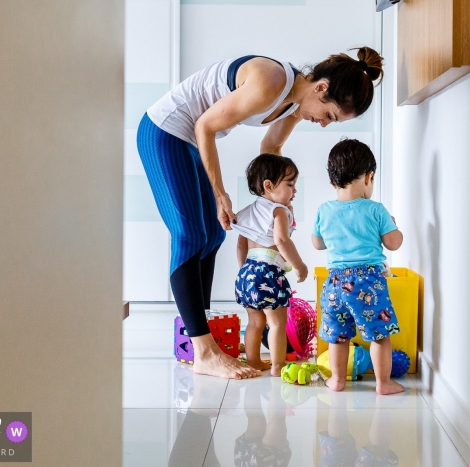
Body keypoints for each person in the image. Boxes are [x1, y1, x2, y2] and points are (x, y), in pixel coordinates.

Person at [136, 47, 384, 379]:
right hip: (165, 131)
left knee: (211, 236)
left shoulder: (295, 104)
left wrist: (279, 202)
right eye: (330, 116)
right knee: (190, 234)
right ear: (321, 89)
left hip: (189, 139)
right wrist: (221, 193)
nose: (324, 124)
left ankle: (204, 336)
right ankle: (204, 350)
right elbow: (206, 126)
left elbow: (271, 150)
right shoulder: (272, 81)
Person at [312, 139, 404, 395]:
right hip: (368, 283)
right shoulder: (376, 210)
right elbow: (393, 244)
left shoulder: (324, 210)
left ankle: (338, 380)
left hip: (333, 283)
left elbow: (317, 244)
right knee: (379, 335)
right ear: (368, 177)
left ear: (333, 182)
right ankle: (383, 383)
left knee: (338, 337)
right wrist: (392, 225)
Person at [232, 154, 307, 376]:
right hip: (268, 273)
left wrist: (245, 272)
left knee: (255, 322)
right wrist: (299, 266)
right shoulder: (278, 211)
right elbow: (282, 241)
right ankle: (277, 366)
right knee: (276, 324)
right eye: (290, 184)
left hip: (247, 272)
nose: (294, 191)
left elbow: (240, 247)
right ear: (269, 186)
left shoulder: (247, 212)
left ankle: (253, 361)